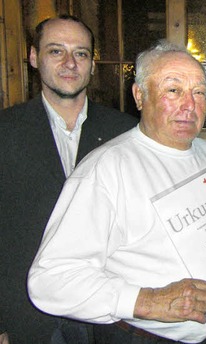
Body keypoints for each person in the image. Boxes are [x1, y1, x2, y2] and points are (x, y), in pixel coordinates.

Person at [27, 40, 206, 344]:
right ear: (139, 95)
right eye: (173, 90)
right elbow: (49, 281)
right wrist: (148, 300)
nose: (189, 104)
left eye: (199, 92)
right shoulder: (106, 170)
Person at [0, 15, 137, 344]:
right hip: (28, 315)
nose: (70, 63)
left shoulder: (125, 132)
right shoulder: (5, 131)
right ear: (34, 58)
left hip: (107, 317)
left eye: (81, 53)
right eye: (56, 51)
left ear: (92, 64)